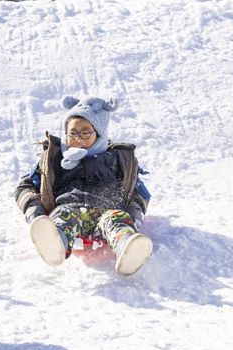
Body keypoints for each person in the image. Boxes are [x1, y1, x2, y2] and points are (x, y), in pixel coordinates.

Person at [14, 95, 153, 275]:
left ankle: (128, 247)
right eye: (72, 133)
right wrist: (35, 214)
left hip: (108, 209)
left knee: (117, 221)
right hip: (69, 208)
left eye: (85, 133)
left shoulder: (116, 158)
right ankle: (55, 244)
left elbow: (138, 191)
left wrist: (135, 215)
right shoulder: (56, 158)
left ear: (99, 133)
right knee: (63, 218)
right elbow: (25, 186)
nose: (78, 138)